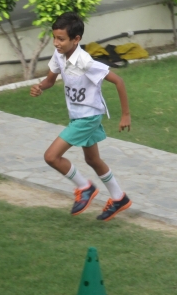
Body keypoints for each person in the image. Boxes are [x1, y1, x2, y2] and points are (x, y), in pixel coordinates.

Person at [30, 12, 133, 221]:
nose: (56, 43)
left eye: (61, 39)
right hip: (78, 116)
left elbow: (119, 81)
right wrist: (40, 87)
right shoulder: (59, 55)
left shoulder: (86, 62)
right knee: (92, 159)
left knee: (51, 157)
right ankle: (119, 198)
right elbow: (50, 80)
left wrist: (125, 115)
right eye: (55, 38)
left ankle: (85, 188)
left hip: (88, 117)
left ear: (76, 39)